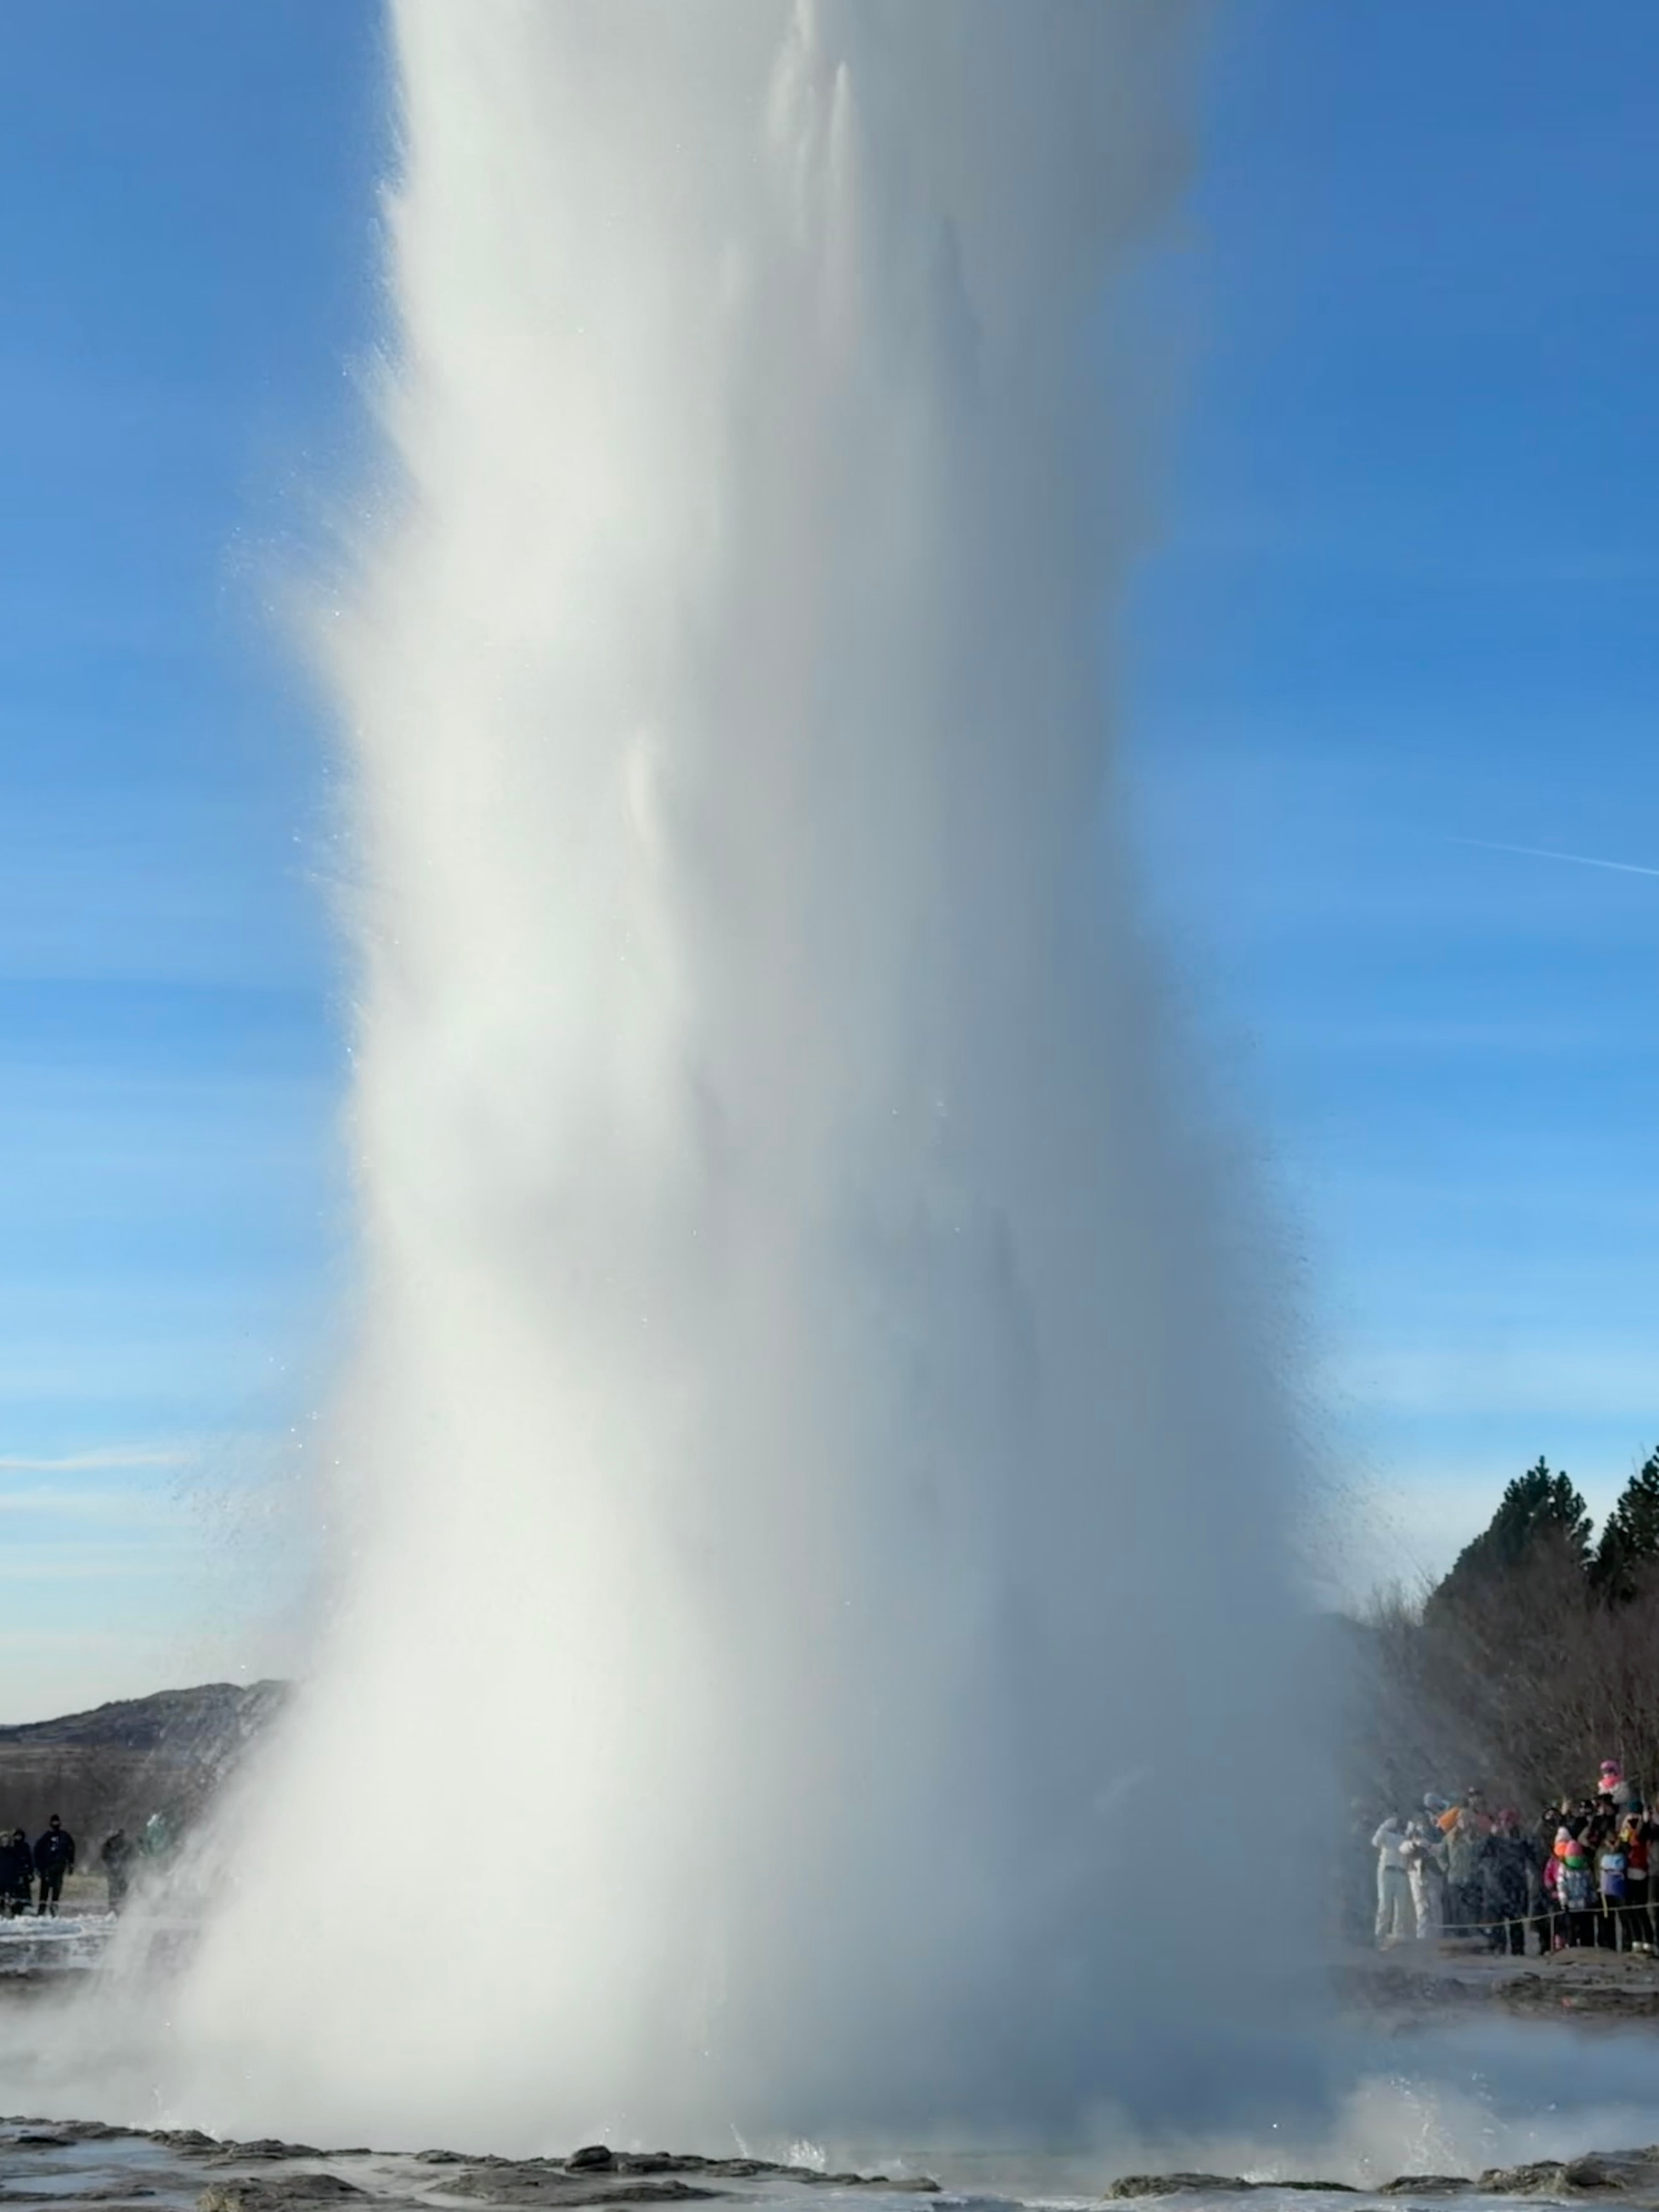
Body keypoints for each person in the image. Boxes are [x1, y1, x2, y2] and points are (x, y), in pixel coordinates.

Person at [1402, 1818, 1447, 1943]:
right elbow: (1402, 1848)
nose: (1422, 1824)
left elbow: (1443, 1848)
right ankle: (1422, 1939)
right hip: (1415, 1874)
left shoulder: (1438, 1833)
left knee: (1435, 1906)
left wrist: (1429, 1846)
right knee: (1421, 1907)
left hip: (1433, 1873)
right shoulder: (1412, 1833)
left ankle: (1438, 1939)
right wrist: (1414, 1844)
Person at [1373, 1815, 1413, 1948]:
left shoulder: (1406, 1836)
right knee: (1385, 1905)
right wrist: (1384, 1826)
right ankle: (1379, 1938)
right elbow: (1375, 1842)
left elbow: (1411, 1849)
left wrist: (1411, 1832)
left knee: (1401, 1907)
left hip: (1402, 1872)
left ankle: (1397, 1939)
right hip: (1387, 1871)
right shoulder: (1386, 1835)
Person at [32, 1814, 75, 1916]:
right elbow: (37, 1850)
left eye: (57, 1822)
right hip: (47, 1867)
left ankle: (54, 1909)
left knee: (57, 1890)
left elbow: (71, 1850)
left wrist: (71, 1864)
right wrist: (39, 1866)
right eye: (54, 1822)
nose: (55, 1824)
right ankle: (41, 1910)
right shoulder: (46, 1837)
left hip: (60, 1867)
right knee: (44, 1891)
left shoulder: (65, 1836)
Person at [99, 1829, 134, 1915]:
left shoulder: (110, 1842)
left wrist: (109, 1864)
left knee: (113, 1890)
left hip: (114, 1870)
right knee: (122, 1889)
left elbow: (104, 1855)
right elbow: (133, 1856)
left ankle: (113, 1908)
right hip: (121, 1870)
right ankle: (121, 1907)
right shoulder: (127, 1843)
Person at [0, 1828, 30, 1916]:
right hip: (1, 1879)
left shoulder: (13, 1852)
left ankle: (14, 1914)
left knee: (14, 1899)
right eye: (3, 1840)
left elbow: (18, 1864)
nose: (5, 1842)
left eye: (6, 1840)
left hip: (11, 1879)